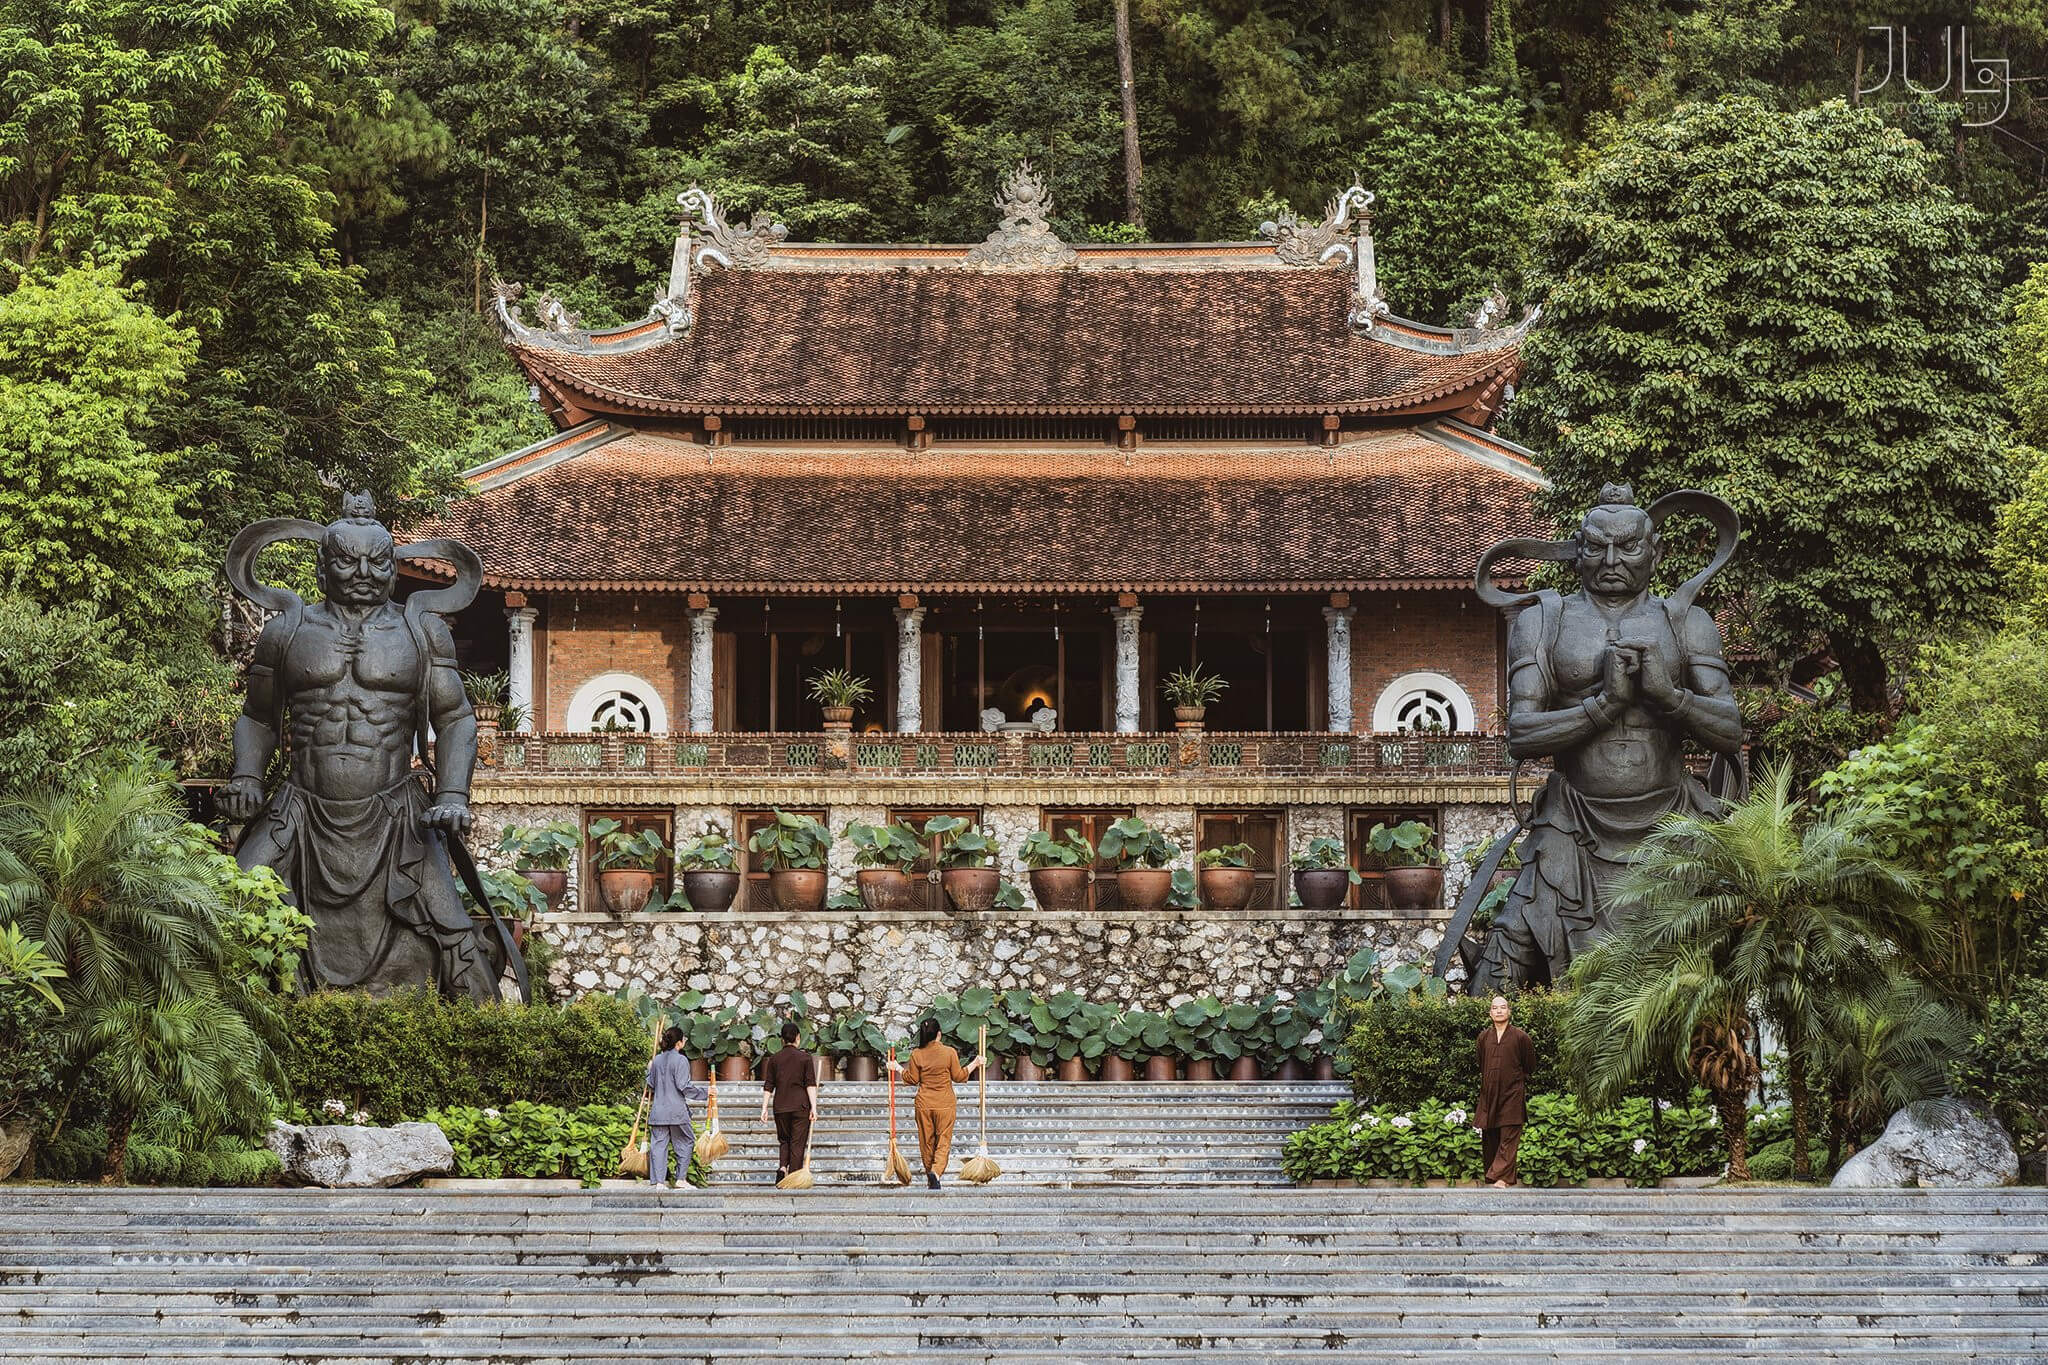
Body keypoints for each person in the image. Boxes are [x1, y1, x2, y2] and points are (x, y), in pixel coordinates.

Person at [1468, 485, 1745, 990]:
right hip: (1572, 820)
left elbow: (1730, 730)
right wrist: (1604, 705)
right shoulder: (1543, 621)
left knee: (1714, 963)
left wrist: (1668, 695)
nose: (1611, 560)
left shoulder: (1686, 622)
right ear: (1577, 551)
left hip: (1671, 819)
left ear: (1655, 552)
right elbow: (1521, 734)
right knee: (1499, 971)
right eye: (1596, 547)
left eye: (1628, 546)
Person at [888, 1018, 983, 1190]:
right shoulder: (949, 1052)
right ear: (939, 1034)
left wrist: (897, 1068)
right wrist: (975, 1063)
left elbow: (912, 1079)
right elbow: (959, 1076)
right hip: (945, 1104)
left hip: (924, 1104)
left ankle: (930, 1174)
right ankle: (936, 1172)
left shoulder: (917, 1054)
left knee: (926, 1142)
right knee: (943, 1141)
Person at [1476, 995, 1536, 1188]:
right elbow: (1481, 1062)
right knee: (1491, 1136)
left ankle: (1501, 1177)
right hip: (1489, 1093)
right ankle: (1496, 1176)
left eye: (1503, 1007)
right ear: (1490, 1013)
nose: (1499, 1011)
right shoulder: (1484, 1037)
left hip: (1512, 1093)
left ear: (1509, 1011)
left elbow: (1529, 1065)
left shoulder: (1520, 1037)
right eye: (1495, 1008)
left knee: (1509, 1134)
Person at [645, 1025, 709, 1190]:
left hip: (658, 1111)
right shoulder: (681, 1060)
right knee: (686, 1141)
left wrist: (649, 1069)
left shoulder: (657, 1060)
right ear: (679, 1043)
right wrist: (706, 1093)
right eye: (684, 1039)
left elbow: (651, 1084)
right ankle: (680, 1178)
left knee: (658, 1145)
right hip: (676, 1112)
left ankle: (659, 1182)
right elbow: (684, 1086)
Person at [758, 1018, 819, 1183]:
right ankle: (793, 1177)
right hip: (801, 1106)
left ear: (782, 1040)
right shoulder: (805, 1058)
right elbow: (811, 1085)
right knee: (797, 1143)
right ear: (798, 1038)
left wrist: (764, 1108)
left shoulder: (774, 1059)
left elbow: (768, 1085)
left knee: (784, 1140)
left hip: (781, 1106)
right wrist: (814, 1107)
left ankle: (782, 1167)